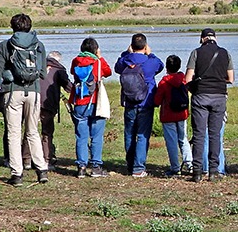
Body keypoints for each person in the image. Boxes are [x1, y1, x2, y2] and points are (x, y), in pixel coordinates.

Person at [0, 13, 49, 186]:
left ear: (12, 27)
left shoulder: (5, 45)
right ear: (30, 26)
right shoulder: (38, 45)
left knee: (14, 133)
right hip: (33, 92)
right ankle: (42, 170)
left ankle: (17, 174)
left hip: (12, 92)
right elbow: (43, 73)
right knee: (33, 131)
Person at [186, 28, 234, 182]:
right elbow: (231, 78)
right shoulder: (225, 53)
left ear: (202, 39)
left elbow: (188, 79)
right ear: (215, 38)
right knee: (215, 135)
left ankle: (197, 172)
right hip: (219, 97)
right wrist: (217, 80)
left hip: (200, 96)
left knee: (199, 135)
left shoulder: (196, 52)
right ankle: (213, 171)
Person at [114, 33, 164, 177]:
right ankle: (138, 168)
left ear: (131, 46)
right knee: (142, 135)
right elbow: (160, 65)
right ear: (145, 46)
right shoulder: (150, 62)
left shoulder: (125, 61)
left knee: (129, 133)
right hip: (146, 102)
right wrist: (150, 54)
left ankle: (130, 165)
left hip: (129, 102)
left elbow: (117, 67)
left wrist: (126, 53)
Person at [69, 38, 112, 178]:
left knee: (81, 136)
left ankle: (81, 167)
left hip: (79, 102)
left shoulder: (76, 61)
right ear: (96, 49)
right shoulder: (98, 62)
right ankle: (95, 167)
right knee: (96, 136)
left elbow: (72, 72)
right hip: (95, 102)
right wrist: (100, 57)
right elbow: (108, 72)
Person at [26, 50, 71, 172]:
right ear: (58, 60)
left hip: (33, 100)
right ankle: (47, 160)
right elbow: (68, 87)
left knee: (30, 130)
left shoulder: (37, 66)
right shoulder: (59, 70)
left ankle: (26, 159)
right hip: (48, 104)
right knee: (47, 132)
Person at [154, 54, 193, 177]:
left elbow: (157, 101)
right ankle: (190, 164)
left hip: (168, 116)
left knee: (171, 142)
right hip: (182, 114)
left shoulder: (164, 82)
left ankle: (175, 168)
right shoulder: (183, 79)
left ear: (167, 67)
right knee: (183, 139)